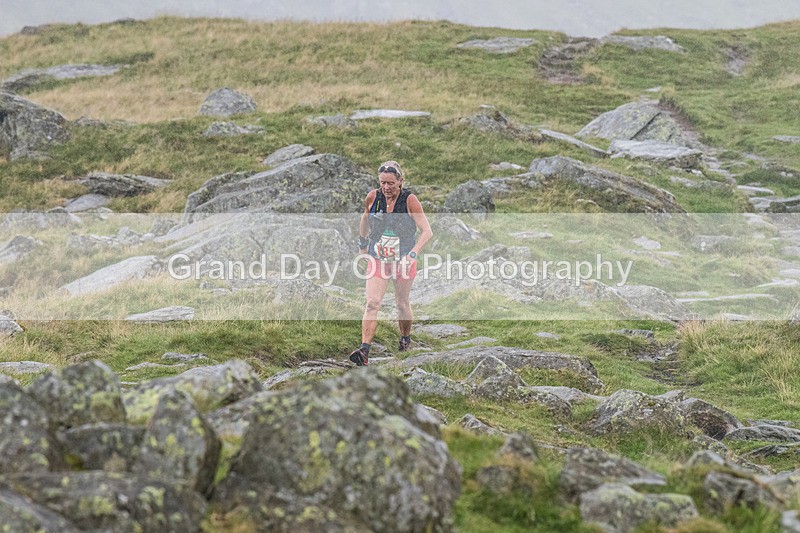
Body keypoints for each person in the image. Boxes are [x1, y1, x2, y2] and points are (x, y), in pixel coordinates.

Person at [349, 160, 432, 366]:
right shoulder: (373, 197)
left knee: (401, 304)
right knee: (372, 303)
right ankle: (364, 351)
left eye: (391, 183)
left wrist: (412, 255)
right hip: (378, 259)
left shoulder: (410, 200)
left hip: (403, 261)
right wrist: (362, 245)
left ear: (400, 181)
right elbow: (365, 219)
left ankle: (405, 339)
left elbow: (427, 232)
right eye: (383, 183)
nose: (386, 187)